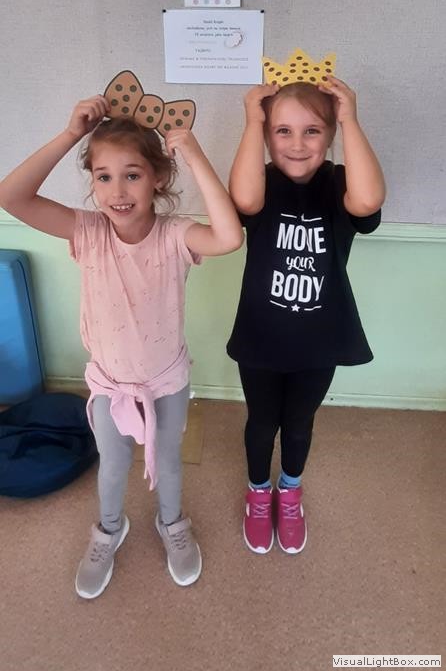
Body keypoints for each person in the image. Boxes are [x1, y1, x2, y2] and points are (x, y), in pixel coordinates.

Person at [0, 95, 243, 596]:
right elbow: (12, 196)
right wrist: (71, 134)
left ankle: (172, 522)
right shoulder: (87, 231)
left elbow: (229, 237)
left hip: (166, 381)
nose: (118, 191)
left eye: (132, 175)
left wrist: (194, 154)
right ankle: (110, 528)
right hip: (109, 384)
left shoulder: (176, 235)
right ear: (92, 183)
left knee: (168, 461)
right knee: (111, 466)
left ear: (158, 177)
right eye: (104, 177)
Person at [227, 76, 386, 555]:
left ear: (331, 136)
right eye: (283, 131)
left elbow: (368, 202)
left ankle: (290, 490)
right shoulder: (263, 183)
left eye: (312, 131)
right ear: (267, 136)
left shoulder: (339, 184)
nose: (297, 144)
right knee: (262, 421)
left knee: (299, 422)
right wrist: (252, 121)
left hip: (321, 338)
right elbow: (244, 202)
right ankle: (259, 493)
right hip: (261, 336)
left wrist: (350, 117)